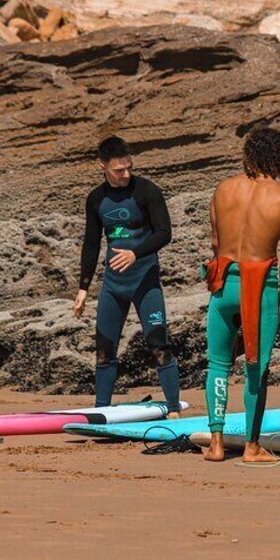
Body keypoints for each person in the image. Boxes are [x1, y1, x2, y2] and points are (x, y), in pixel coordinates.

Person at [202, 127, 280, 462]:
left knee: (217, 363)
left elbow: (215, 244)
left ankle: (215, 443)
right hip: (260, 288)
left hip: (224, 283)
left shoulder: (223, 189)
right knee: (256, 367)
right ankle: (251, 447)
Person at [74, 136, 182, 418]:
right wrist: (83, 288)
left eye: (128, 168)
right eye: (119, 170)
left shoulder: (146, 191)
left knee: (159, 344)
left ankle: (173, 409)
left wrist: (136, 253)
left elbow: (164, 233)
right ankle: (102, 412)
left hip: (145, 281)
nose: (125, 174)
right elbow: (91, 243)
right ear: (103, 166)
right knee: (104, 350)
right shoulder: (96, 199)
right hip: (113, 285)